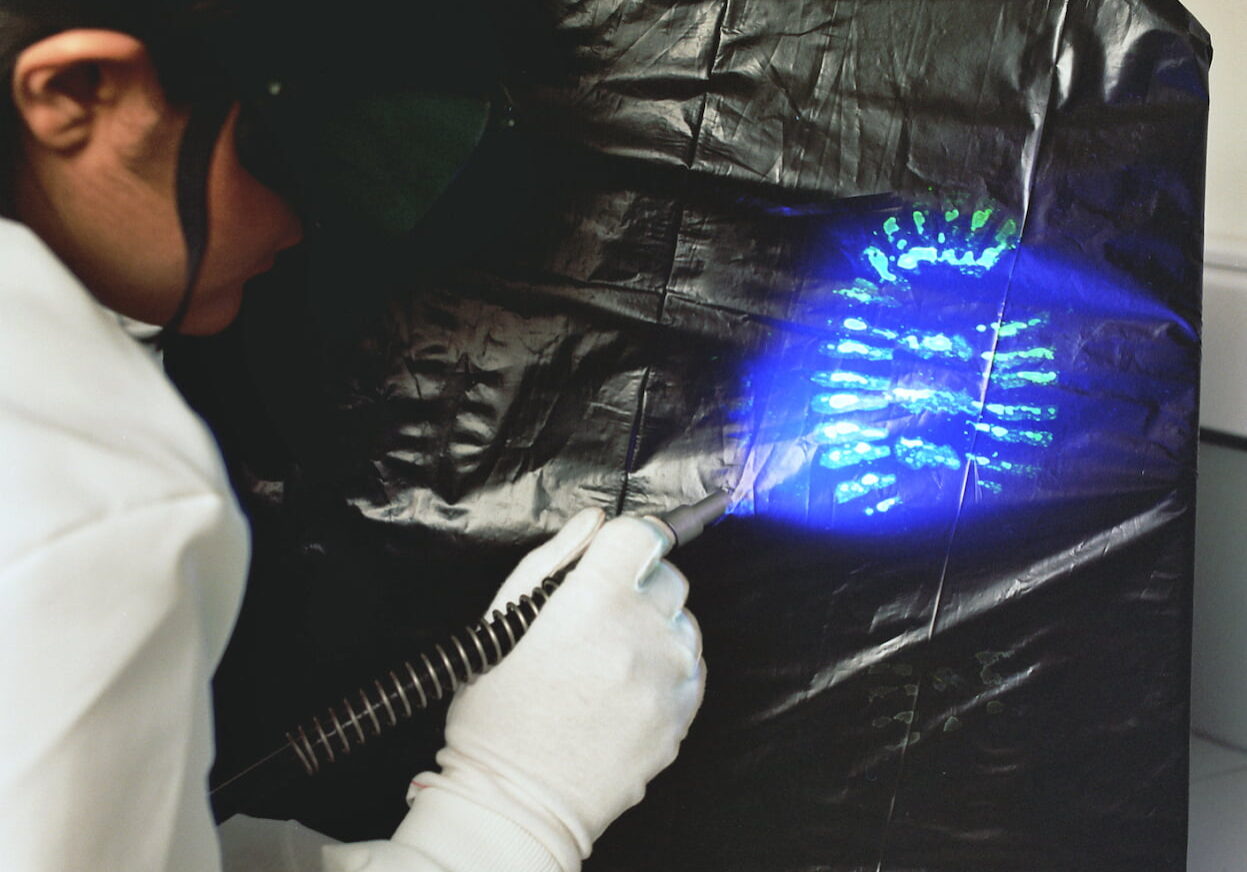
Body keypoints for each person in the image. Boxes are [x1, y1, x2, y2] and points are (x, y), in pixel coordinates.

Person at [0, 4, 706, 871]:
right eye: (299, 147)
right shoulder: (101, 498)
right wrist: (511, 810)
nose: (302, 228)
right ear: (76, 92)